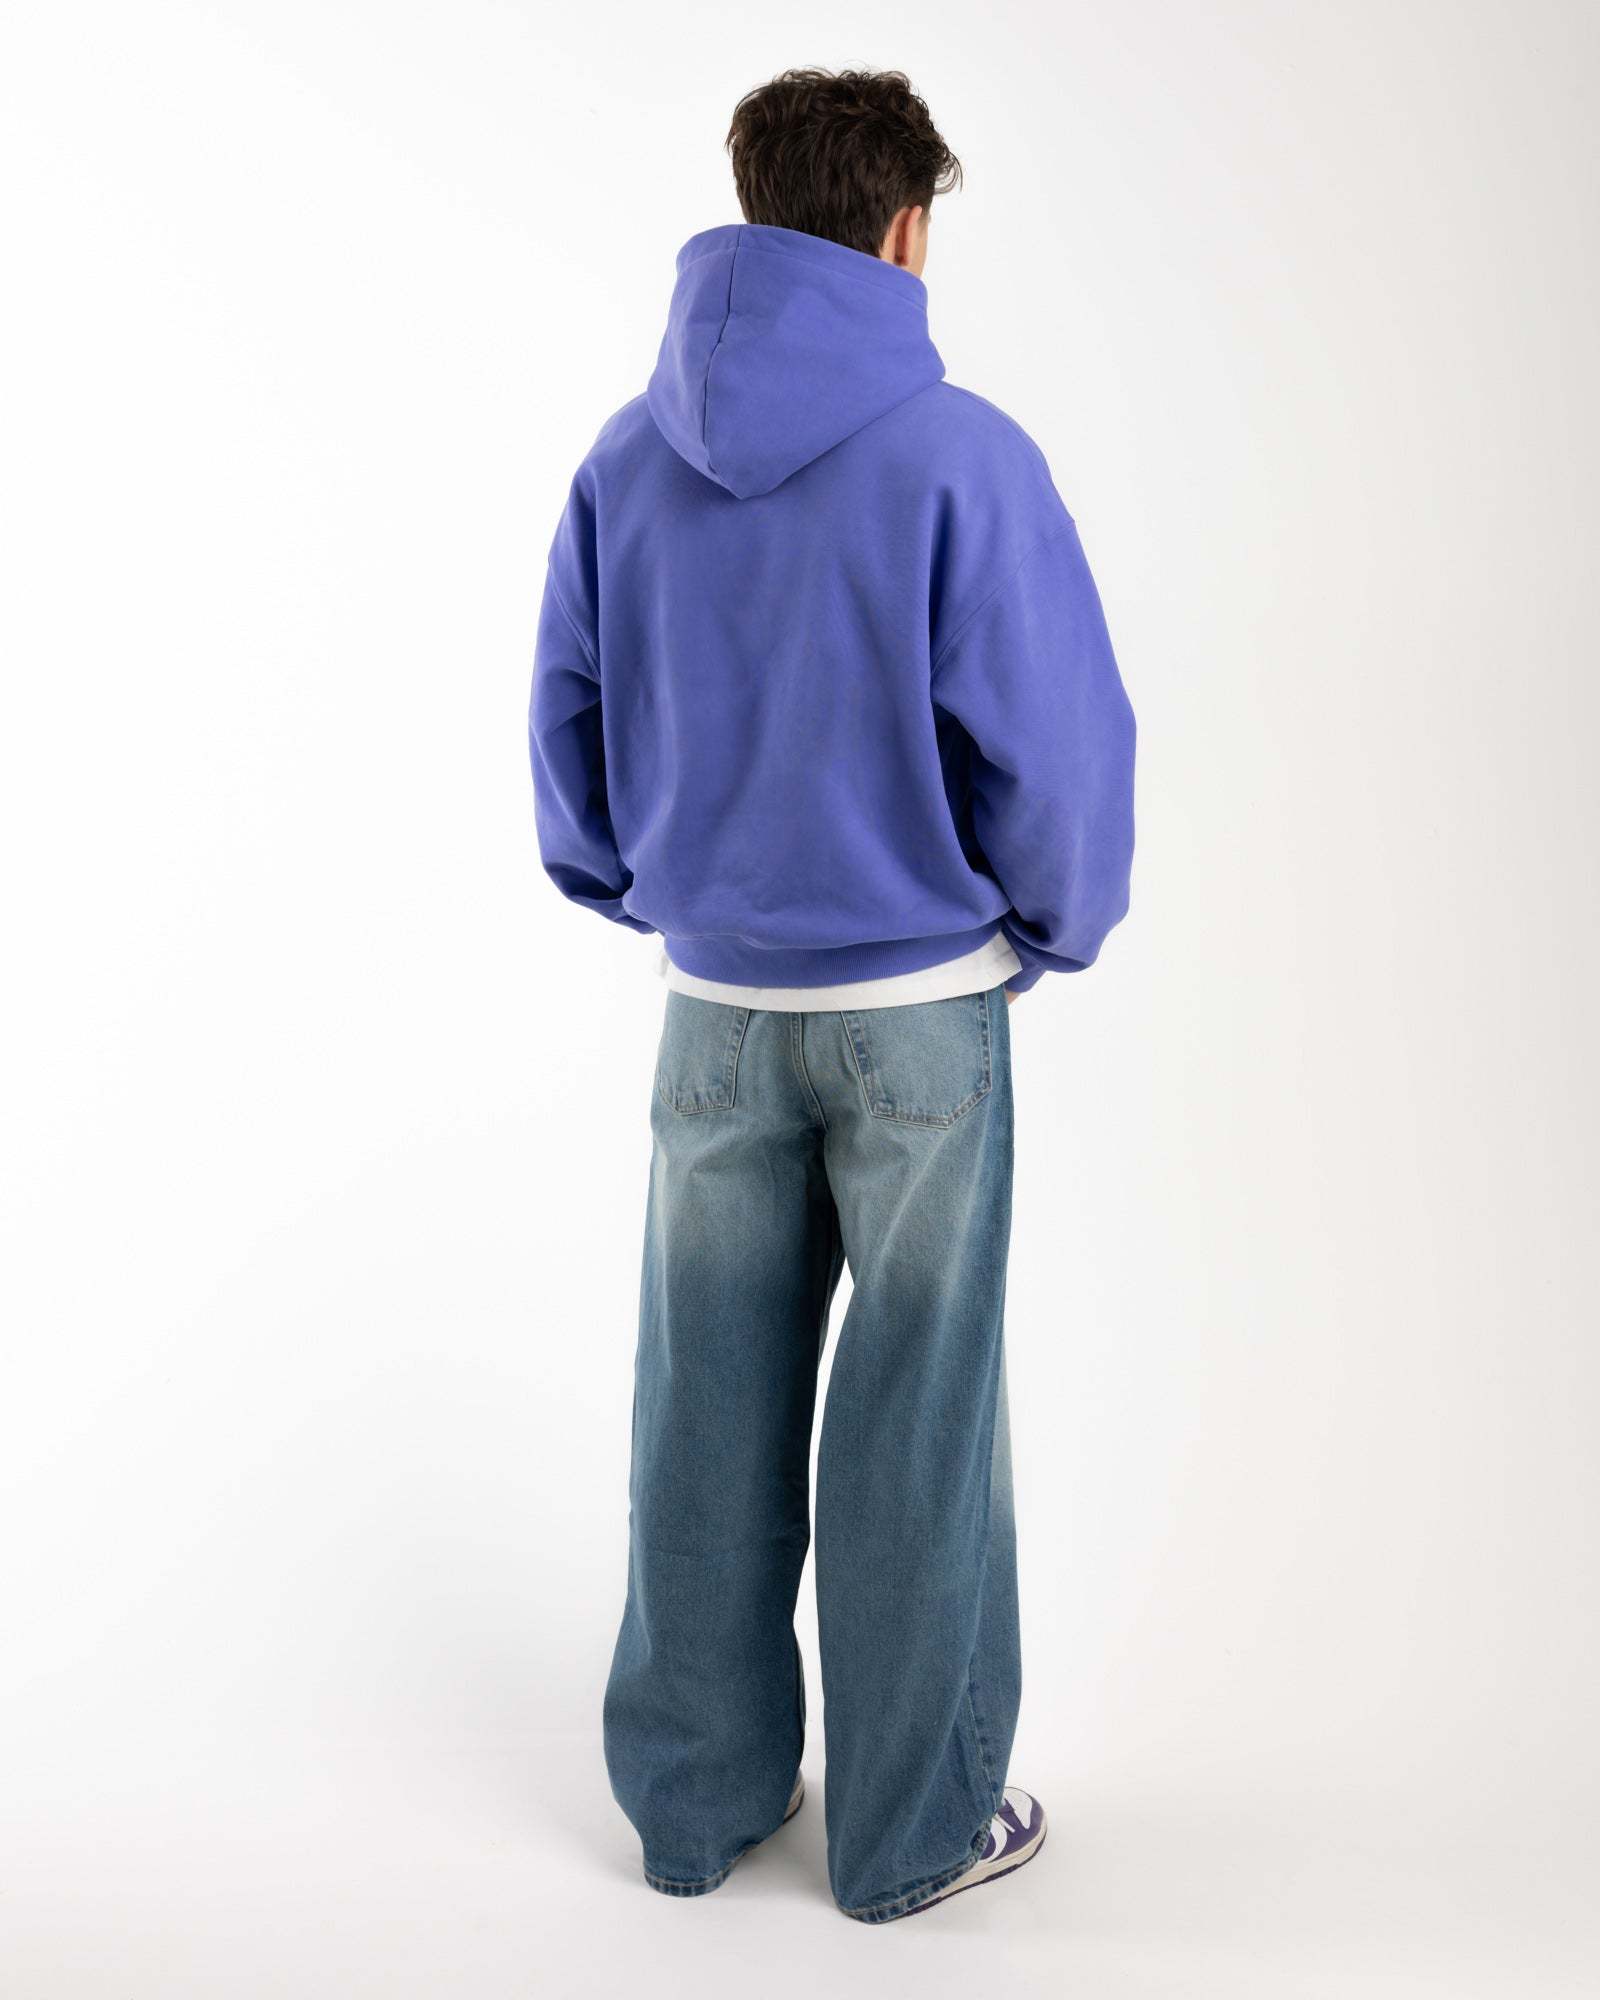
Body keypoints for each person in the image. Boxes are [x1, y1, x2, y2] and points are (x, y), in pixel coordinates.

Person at [528, 67, 1135, 1923]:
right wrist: (1049, 929)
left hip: (714, 1013)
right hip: (919, 1013)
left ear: (752, 203)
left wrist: (648, 890)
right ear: (905, 232)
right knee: (916, 1422)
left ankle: (695, 1810)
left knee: (701, 1405)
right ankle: (909, 1834)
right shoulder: (964, 457)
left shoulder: (626, 460)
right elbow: (1058, 751)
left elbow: (570, 723)